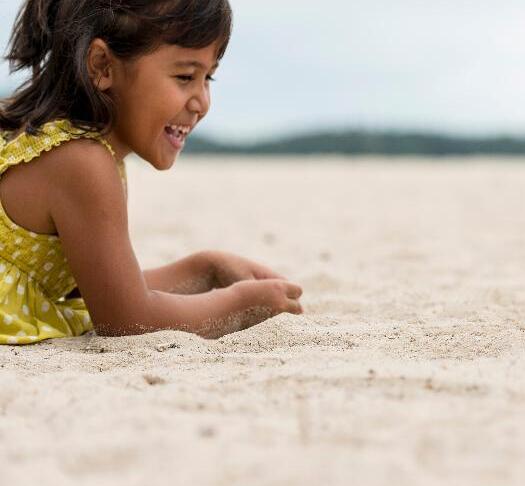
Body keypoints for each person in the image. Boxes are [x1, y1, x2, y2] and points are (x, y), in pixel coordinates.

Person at [0, 0, 303, 344]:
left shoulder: (75, 148)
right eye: (185, 77)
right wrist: (242, 303)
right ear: (102, 66)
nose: (202, 102)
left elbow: (100, 288)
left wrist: (205, 269)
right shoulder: (81, 161)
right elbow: (126, 319)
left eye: (207, 77)